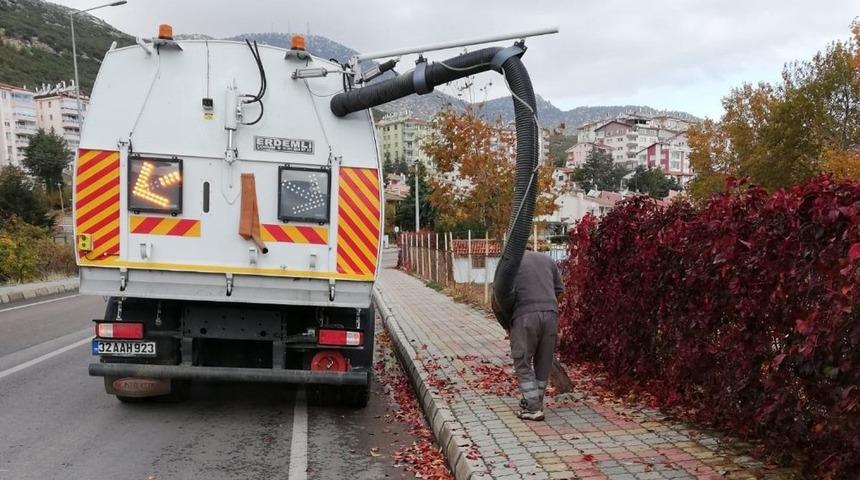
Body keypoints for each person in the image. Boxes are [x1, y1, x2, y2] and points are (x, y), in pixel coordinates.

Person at [508, 249, 563, 421]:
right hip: (551, 314)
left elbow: (502, 295)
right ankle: (535, 401)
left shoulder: (511, 263)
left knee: (522, 360)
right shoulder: (548, 260)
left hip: (525, 315)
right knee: (543, 361)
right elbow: (559, 290)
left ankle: (533, 408)